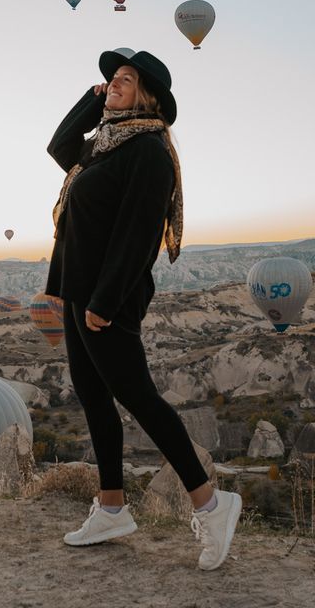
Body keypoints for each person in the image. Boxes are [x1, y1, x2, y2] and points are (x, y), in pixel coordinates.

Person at [45, 50, 242, 571]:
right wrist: (90, 103)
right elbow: (59, 146)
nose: (113, 83)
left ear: (148, 95)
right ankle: (112, 506)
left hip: (106, 297)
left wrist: (105, 303)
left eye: (125, 80)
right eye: (112, 78)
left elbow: (138, 236)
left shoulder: (148, 152)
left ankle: (213, 506)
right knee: (92, 395)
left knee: (139, 398)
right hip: (77, 288)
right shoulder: (105, 146)